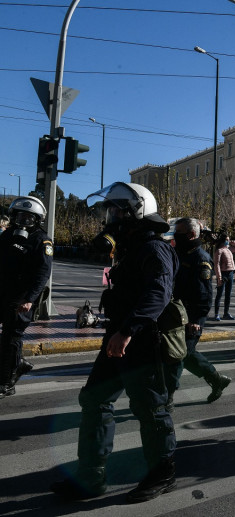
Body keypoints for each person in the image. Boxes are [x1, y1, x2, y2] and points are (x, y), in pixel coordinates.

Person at [51, 183, 178, 503]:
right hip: (119, 336)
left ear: (137, 212)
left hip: (142, 340)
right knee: (94, 399)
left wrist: (128, 331)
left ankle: (163, 473)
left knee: (151, 409)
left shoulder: (154, 248)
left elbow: (157, 295)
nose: (111, 217)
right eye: (110, 211)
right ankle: (91, 475)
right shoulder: (130, 248)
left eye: (117, 211)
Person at [165, 218, 232, 410]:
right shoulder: (178, 253)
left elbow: (204, 295)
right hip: (175, 312)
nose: (176, 235)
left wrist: (195, 320)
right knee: (185, 353)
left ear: (191, 235)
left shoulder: (201, 258)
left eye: (179, 232)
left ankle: (167, 397)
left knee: (177, 355)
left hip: (192, 314)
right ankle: (216, 379)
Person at [0, 196, 52, 398]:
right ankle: (18, 363)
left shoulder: (42, 240)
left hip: (21, 298)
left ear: (37, 220)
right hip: (3, 292)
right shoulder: (7, 235)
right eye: (20, 216)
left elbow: (42, 274)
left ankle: (6, 383)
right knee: (7, 340)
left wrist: (30, 298)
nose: (24, 221)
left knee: (11, 338)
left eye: (29, 218)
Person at [212, 232, 235, 321]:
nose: (228, 242)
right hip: (223, 274)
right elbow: (216, 265)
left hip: (231, 273)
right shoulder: (219, 251)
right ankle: (216, 314)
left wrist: (233, 242)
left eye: (228, 240)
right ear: (223, 241)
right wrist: (219, 277)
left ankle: (226, 313)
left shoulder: (229, 249)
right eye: (227, 240)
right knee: (219, 295)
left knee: (228, 295)